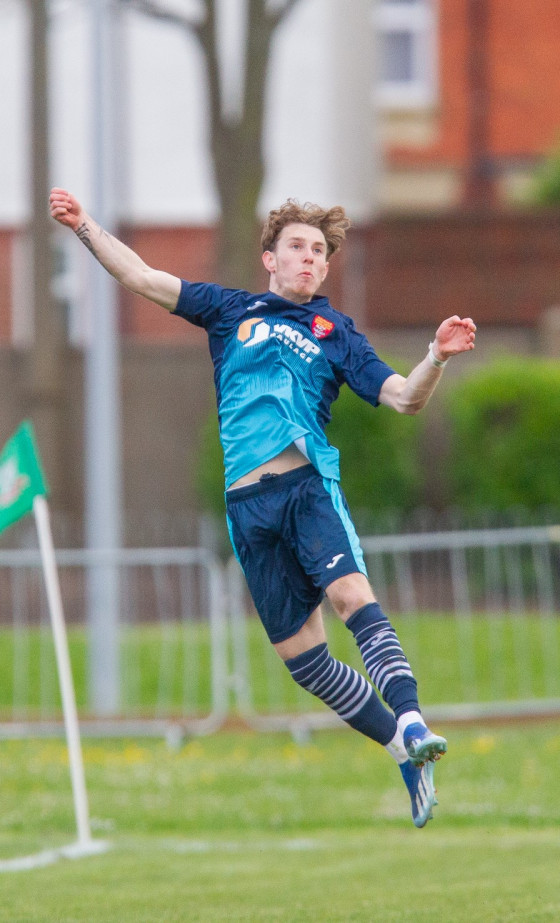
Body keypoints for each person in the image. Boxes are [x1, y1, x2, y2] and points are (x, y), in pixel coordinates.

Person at [50, 187, 476, 829]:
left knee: (350, 597)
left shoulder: (335, 333)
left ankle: (412, 717)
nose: (310, 259)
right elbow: (140, 276)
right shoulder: (229, 310)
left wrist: (435, 357)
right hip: (247, 507)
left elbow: (403, 398)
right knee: (302, 659)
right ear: (270, 260)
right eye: (297, 248)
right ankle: (401, 750)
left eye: (319, 252)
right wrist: (85, 225)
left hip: (306, 490)